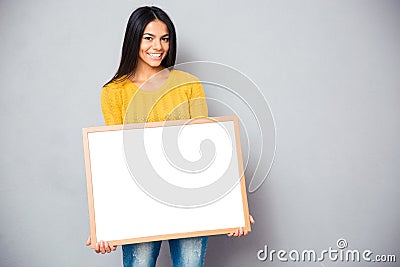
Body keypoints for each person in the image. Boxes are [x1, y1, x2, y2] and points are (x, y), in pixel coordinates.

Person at [86, 6, 254, 267]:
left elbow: (207, 150)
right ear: (134, 39)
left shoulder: (189, 84)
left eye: (165, 38)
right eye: (148, 37)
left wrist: (234, 207)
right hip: (138, 206)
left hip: (189, 203)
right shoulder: (114, 92)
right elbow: (114, 158)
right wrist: (103, 223)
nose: (158, 46)